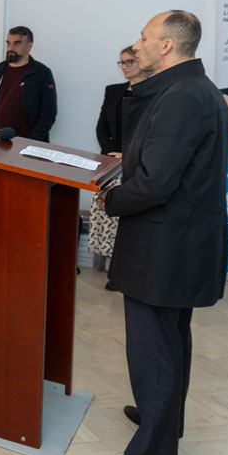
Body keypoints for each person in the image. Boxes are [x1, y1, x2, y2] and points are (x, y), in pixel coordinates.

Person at [84, 11, 228, 455]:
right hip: (179, 241)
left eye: (144, 38)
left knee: (156, 349)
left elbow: (154, 183)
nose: (137, 45)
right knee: (170, 340)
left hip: (167, 244)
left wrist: (110, 198)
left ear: (167, 45)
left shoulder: (181, 95)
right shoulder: (191, 89)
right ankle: (161, 420)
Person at [89, 46, 153, 281]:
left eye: (129, 62)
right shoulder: (113, 91)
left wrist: (128, 156)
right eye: (122, 63)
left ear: (142, 62)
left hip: (137, 164)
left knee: (126, 222)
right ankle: (110, 269)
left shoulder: (155, 93)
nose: (125, 67)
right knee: (106, 216)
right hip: (109, 163)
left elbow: (151, 134)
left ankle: (125, 270)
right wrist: (110, 155)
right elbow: (102, 127)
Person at [0, 26, 57, 142]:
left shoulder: (41, 73)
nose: (11, 48)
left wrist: (33, 141)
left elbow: (48, 114)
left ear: (29, 46)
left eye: (17, 43)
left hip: (28, 145)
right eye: (8, 43)